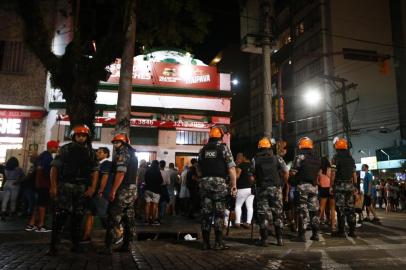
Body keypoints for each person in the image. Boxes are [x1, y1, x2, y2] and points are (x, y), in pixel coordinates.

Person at [48, 125, 99, 255]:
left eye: (83, 136)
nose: (81, 137)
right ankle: (54, 246)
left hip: (82, 188)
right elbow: (54, 168)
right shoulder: (65, 150)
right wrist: (53, 186)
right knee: (60, 216)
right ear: (74, 136)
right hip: (66, 186)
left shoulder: (91, 153)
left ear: (87, 137)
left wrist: (93, 187)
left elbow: (95, 171)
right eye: (78, 135)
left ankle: (76, 245)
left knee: (78, 217)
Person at [198, 127, 237, 250]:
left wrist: (203, 179)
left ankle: (205, 243)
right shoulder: (224, 148)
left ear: (210, 136)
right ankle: (218, 242)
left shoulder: (203, 150)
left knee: (206, 214)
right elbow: (231, 168)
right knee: (219, 214)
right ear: (220, 136)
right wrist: (234, 185)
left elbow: (198, 168)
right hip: (220, 184)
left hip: (205, 184)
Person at [105, 133, 138, 253]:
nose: (115, 145)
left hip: (123, 189)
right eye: (114, 143)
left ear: (123, 143)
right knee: (129, 218)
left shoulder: (122, 154)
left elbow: (120, 173)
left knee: (113, 217)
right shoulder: (133, 154)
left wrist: (113, 191)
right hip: (131, 190)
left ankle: (108, 246)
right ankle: (127, 245)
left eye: (117, 143)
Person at [252, 137, 289, 246]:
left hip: (262, 189)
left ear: (259, 147)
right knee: (278, 213)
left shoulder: (255, 160)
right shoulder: (277, 158)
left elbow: (251, 177)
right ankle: (279, 239)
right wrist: (283, 183)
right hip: (276, 189)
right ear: (270, 147)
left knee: (263, 214)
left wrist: (255, 182)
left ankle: (264, 240)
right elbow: (286, 172)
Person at [290, 137, 321, 242]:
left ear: (301, 146)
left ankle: (302, 235)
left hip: (302, 186)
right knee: (314, 211)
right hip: (314, 187)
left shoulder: (300, 157)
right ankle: (315, 234)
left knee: (302, 211)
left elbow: (293, 172)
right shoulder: (317, 158)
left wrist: (293, 177)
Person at [26, 140, 59, 232]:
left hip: (38, 185)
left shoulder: (42, 156)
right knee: (42, 205)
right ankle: (41, 225)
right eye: (56, 147)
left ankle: (31, 224)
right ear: (51, 147)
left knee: (38, 204)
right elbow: (44, 171)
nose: (57, 149)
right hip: (44, 184)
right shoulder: (47, 157)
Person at [82, 147, 112, 242]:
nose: (97, 154)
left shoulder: (107, 164)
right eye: (97, 152)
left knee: (103, 215)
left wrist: (101, 190)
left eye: (100, 152)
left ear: (106, 154)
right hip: (93, 193)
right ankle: (87, 235)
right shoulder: (97, 164)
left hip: (101, 194)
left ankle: (117, 232)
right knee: (89, 213)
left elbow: (105, 177)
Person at [330, 138, 357, 237]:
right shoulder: (351, 159)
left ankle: (341, 231)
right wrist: (355, 187)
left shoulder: (335, 158)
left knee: (340, 208)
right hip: (350, 186)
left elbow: (333, 174)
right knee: (350, 208)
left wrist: (331, 186)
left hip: (339, 186)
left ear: (337, 148)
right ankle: (352, 231)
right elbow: (354, 175)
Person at [234, 152, 254, 229]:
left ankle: (237, 222)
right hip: (251, 189)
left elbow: (237, 176)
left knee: (238, 205)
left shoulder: (241, 165)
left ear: (244, 158)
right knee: (250, 206)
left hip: (242, 188)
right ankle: (248, 223)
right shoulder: (252, 166)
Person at [318, 157, 336, 233]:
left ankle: (317, 224)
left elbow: (317, 181)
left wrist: (321, 183)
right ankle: (333, 226)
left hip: (323, 189)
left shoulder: (320, 170)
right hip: (330, 188)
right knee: (332, 208)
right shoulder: (331, 169)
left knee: (321, 207)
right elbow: (333, 178)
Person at [144, 160, 163, 225]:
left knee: (147, 205)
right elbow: (161, 181)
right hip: (156, 191)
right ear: (157, 165)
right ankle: (154, 221)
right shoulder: (158, 172)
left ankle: (146, 220)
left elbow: (145, 180)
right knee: (155, 205)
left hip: (147, 189)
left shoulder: (148, 171)